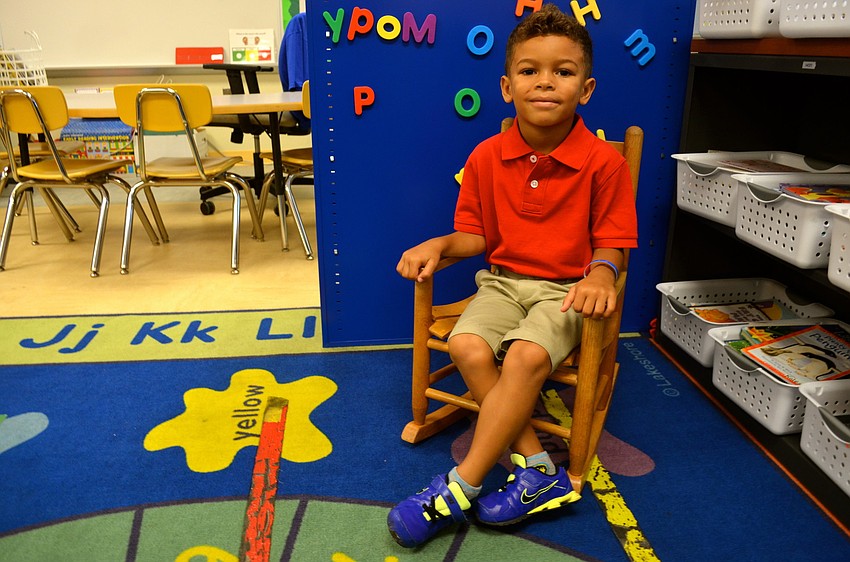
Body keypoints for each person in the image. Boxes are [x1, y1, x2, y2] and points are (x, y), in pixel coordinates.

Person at [388, 3, 639, 548]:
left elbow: (613, 242)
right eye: (530, 71)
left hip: (567, 290)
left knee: (524, 356)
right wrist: (438, 243)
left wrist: (600, 273)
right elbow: (476, 237)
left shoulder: (604, 164)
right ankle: (537, 467)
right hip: (502, 282)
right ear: (507, 86)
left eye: (563, 71)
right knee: (468, 346)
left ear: (586, 89)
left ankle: (461, 485)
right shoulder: (486, 156)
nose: (545, 83)